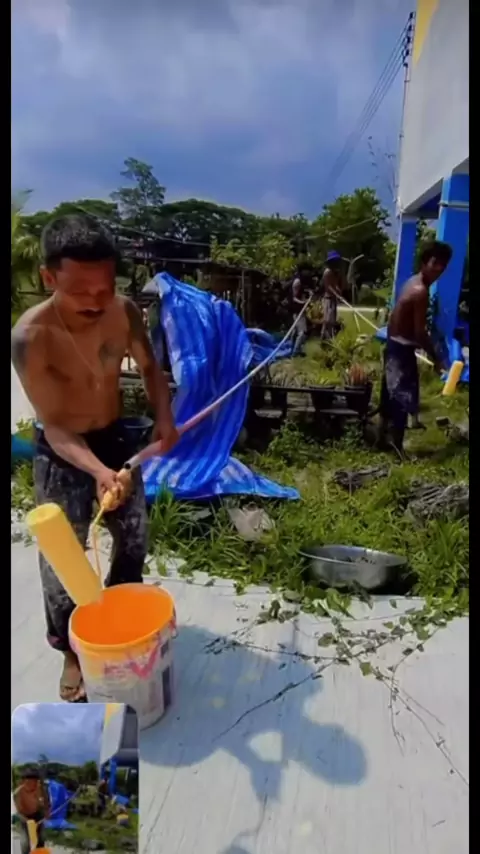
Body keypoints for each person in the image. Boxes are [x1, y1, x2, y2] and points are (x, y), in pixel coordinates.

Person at [11, 214, 179, 702]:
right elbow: (54, 425)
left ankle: (119, 627)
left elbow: (150, 369)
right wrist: (99, 472)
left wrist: (164, 418)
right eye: (79, 291)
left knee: (134, 536)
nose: (94, 301)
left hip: (115, 439)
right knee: (63, 558)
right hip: (62, 451)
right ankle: (71, 649)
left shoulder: (123, 312)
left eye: (104, 289)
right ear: (49, 277)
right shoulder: (30, 337)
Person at [378, 240, 452, 456]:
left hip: (394, 345)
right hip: (401, 350)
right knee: (401, 399)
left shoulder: (412, 281)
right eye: (435, 262)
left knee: (390, 395)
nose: (439, 268)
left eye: (443, 264)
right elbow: (420, 332)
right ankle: (396, 449)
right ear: (424, 262)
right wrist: (436, 359)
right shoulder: (420, 291)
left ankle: (382, 439)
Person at [13, 767, 50, 853]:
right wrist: (28, 821)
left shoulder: (39, 787)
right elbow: (18, 812)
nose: (34, 785)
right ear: (24, 782)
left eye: (36, 782)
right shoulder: (17, 793)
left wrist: (46, 811)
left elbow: (45, 799)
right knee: (25, 842)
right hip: (24, 817)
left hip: (37, 814)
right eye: (31, 782)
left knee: (41, 838)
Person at [320, 250, 345, 339]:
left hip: (333, 299)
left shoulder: (335, 272)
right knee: (328, 320)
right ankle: (325, 337)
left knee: (332, 319)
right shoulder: (327, 272)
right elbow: (329, 287)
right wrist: (337, 295)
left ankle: (328, 337)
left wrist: (339, 292)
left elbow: (336, 285)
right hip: (328, 299)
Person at [291, 264, 313, 355]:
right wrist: (303, 302)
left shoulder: (303, 281)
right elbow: (294, 298)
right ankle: (296, 351)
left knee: (295, 331)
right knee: (302, 331)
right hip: (297, 310)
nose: (309, 272)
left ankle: (294, 348)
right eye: (307, 270)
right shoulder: (297, 281)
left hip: (301, 310)